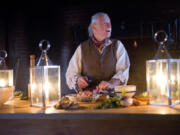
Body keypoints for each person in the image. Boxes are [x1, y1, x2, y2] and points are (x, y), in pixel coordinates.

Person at [66, 12, 130, 93]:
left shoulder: (118, 45)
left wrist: (111, 83)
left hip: (112, 99)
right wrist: (78, 80)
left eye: (109, 23)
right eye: (105, 23)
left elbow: (123, 71)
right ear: (94, 27)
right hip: (88, 100)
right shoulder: (82, 48)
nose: (109, 26)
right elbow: (71, 73)